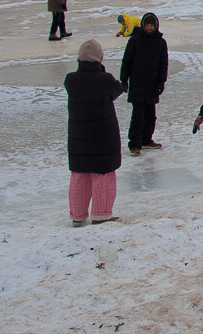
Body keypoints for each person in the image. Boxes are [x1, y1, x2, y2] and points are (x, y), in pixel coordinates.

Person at [65, 39, 123, 226]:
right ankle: (101, 214)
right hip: (103, 135)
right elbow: (118, 89)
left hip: (78, 135)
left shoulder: (71, 80)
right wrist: (102, 71)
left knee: (79, 174)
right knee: (103, 173)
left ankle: (77, 215)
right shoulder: (104, 80)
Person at [120, 12, 169, 156]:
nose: (149, 28)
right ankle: (135, 144)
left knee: (150, 115)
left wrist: (162, 81)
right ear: (143, 26)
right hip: (137, 83)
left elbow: (163, 64)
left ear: (156, 26)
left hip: (152, 84)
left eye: (151, 26)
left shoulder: (160, 42)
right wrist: (124, 79)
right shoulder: (135, 40)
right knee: (138, 116)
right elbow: (126, 61)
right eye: (147, 25)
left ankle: (146, 140)